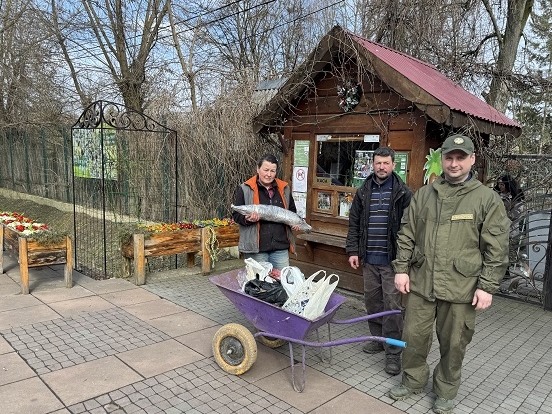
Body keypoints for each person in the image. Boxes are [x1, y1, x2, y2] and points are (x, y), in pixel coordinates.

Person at [388, 134, 510, 414]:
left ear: (472, 160)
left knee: (454, 343)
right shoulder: (424, 194)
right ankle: (413, 381)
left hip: (462, 287)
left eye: (460, 157)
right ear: (441, 159)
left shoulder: (486, 199)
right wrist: (402, 269)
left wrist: (487, 286)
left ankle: (445, 391)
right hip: (421, 282)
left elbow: (497, 247)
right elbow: (406, 234)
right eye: (449, 157)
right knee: (414, 337)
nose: (454, 164)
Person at [345, 146, 412, 376]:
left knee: (392, 306)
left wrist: (405, 261)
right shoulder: (364, 191)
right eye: (378, 163)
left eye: (386, 163)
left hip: (392, 261)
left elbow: (410, 229)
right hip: (369, 259)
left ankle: (393, 352)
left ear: (394, 165)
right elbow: (354, 222)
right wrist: (353, 250)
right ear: (373, 164)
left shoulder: (403, 192)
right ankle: (377, 338)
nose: (381, 167)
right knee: (372, 303)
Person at [232, 154, 300, 271]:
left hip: (280, 248)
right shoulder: (246, 188)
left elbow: (291, 211)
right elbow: (236, 215)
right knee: (259, 284)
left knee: (282, 282)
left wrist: (294, 223)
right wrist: (247, 219)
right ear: (258, 169)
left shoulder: (284, 188)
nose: (269, 174)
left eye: (273, 171)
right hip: (257, 248)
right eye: (266, 170)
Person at [494, 174, 526, 265]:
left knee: (506, 254)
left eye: (502, 184)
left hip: (510, 229)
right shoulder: (496, 195)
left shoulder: (516, 197)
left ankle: (506, 271)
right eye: (499, 184)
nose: (500, 186)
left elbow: (516, 212)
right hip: (494, 227)